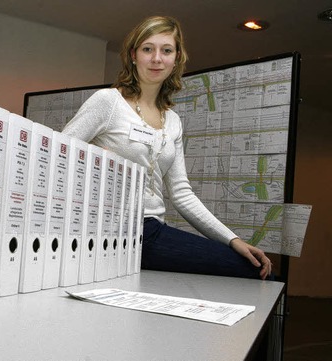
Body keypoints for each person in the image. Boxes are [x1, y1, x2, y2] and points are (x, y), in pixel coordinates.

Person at [61, 15, 272, 280]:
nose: (157, 58)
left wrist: (232, 240)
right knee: (249, 272)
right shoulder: (107, 102)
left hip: (152, 229)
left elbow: (181, 194)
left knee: (254, 268)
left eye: (166, 50)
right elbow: (58, 155)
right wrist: (96, 158)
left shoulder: (172, 120)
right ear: (133, 55)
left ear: (176, 59)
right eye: (148, 49)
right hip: (116, 230)